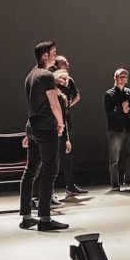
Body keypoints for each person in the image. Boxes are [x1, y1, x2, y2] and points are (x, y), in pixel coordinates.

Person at [19, 41, 69, 231]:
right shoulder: (46, 75)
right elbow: (54, 104)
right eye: (54, 53)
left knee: (30, 171)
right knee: (50, 170)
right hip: (45, 126)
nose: (56, 56)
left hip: (32, 126)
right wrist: (60, 123)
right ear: (45, 56)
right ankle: (45, 219)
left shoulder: (30, 75)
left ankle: (26, 217)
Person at [50, 55, 88, 196]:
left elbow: (77, 96)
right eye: (64, 64)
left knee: (67, 154)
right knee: (54, 158)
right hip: (54, 125)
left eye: (67, 64)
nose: (67, 66)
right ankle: (49, 191)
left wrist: (66, 107)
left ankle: (70, 185)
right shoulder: (51, 83)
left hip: (64, 122)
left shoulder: (69, 81)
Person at [104, 68, 130, 191]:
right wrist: (120, 108)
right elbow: (109, 112)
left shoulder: (128, 92)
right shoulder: (109, 94)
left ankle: (128, 179)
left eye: (124, 77)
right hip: (115, 130)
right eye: (120, 77)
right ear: (115, 78)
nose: (122, 79)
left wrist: (128, 110)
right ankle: (115, 183)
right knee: (114, 159)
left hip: (127, 128)